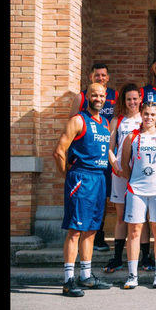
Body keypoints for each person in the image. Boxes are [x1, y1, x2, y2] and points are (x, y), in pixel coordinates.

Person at [53, 83, 112, 297]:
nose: (98, 98)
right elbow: (59, 151)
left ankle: (86, 276)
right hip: (81, 177)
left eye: (101, 95)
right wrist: (68, 175)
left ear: (105, 97)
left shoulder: (105, 122)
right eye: (94, 95)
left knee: (92, 229)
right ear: (87, 96)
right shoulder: (78, 120)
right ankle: (68, 280)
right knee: (75, 230)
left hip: (99, 178)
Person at [121, 102, 156, 289]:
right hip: (137, 190)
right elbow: (124, 163)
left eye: (152, 114)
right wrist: (135, 181)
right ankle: (132, 275)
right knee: (134, 232)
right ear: (141, 114)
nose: (149, 118)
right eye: (146, 114)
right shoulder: (132, 137)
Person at [68, 63, 117, 252]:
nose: (101, 78)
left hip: (105, 153)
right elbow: (73, 125)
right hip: (85, 159)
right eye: (97, 75)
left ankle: (99, 235)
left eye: (104, 75)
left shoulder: (115, 96)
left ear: (108, 78)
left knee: (102, 199)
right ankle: (80, 238)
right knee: (82, 203)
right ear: (91, 77)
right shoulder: (80, 97)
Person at [103, 83, 143, 274]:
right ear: (124, 101)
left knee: (142, 217)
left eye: (135, 98)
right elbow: (110, 149)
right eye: (129, 99)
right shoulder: (117, 121)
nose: (132, 102)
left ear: (140, 99)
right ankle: (118, 257)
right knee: (121, 217)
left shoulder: (147, 118)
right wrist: (116, 166)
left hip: (141, 174)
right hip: (120, 174)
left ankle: (146, 256)